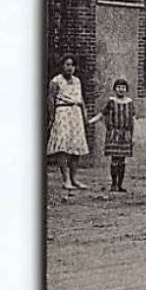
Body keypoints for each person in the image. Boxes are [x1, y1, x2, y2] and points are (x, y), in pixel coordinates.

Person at [48, 55, 91, 191]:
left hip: (75, 113)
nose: (70, 68)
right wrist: (52, 116)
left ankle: (74, 178)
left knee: (75, 146)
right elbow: (51, 99)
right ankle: (65, 179)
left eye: (72, 65)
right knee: (63, 146)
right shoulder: (56, 81)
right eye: (67, 64)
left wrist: (85, 115)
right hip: (63, 112)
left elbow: (81, 98)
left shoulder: (77, 81)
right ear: (62, 66)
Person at [89, 78, 136, 192]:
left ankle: (120, 184)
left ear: (126, 89)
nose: (121, 90)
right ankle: (114, 184)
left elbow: (133, 119)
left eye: (123, 87)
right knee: (114, 159)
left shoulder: (130, 103)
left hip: (125, 135)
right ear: (115, 89)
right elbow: (101, 114)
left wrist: (133, 136)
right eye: (119, 87)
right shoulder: (111, 102)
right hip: (113, 134)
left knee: (122, 160)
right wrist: (90, 121)